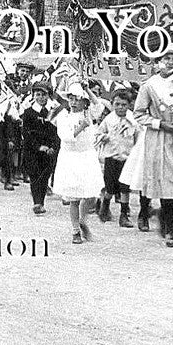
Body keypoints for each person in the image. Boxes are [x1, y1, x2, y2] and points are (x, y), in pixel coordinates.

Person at [123, 52, 173, 244]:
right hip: (159, 138)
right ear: (159, 62)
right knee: (165, 182)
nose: (171, 63)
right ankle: (169, 228)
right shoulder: (150, 85)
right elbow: (139, 114)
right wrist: (160, 124)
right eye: (167, 58)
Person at [54, 82, 103, 243]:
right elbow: (66, 137)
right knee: (74, 198)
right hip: (71, 158)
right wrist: (81, 127)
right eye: (71, 99)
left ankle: (83, 220)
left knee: (90, 194)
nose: (73, 102)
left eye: (77, 99)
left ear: (84, 102)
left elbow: (99, 106)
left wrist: (87, 88)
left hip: (87, 156)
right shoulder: (64, 117)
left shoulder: (88, 113)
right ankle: (75, 230)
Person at [94, 89, 139, 228]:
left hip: (127, 159)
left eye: (124, 105)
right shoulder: (109, 119)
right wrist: (103, 137)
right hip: (111, 157)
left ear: (129, 105)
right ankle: (105, 206)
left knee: (125, 188)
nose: (120, 107)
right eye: (117, 104)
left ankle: (123, 215)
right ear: (112, 104)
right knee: (110, 188)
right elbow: (98, 134)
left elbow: (137, 137)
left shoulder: (133, 120)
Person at [21, 82, 60, 214]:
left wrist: (52, 147)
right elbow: (26, 132)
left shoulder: (53, 112)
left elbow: (56, 132)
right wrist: (38, 146)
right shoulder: (28, 112)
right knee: (34, 175)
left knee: (44, 176)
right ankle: (37, 202)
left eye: (44, 95)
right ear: (33, 96)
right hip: (32, 149)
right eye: (38, 94)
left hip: (49, 150)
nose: (41, 98)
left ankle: (41, 201)